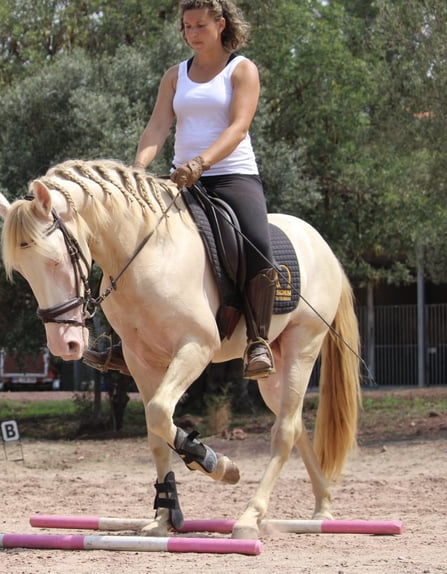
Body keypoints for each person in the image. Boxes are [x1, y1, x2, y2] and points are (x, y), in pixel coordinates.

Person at [83, 0, 276, 380]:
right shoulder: (176, 76)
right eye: (186, 27)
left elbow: (237, 129)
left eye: (200, 26)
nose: (192, 34)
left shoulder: (242, 70)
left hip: (232, 176)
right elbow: (157, 128)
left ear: (220, 24)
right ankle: (121, 340)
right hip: (180, 180)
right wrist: (137, 170)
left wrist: (201, 163)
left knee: (258, 245)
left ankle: (258, 341)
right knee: (126, 238)